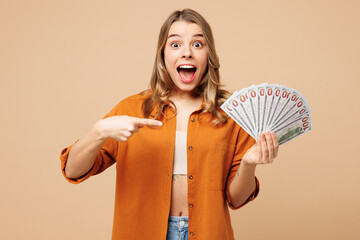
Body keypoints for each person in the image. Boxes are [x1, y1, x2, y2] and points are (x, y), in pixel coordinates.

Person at [60, 8, 279, 240]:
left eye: (197, 44)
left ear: (209, 55)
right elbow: (72, 170)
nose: (187, 53)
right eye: (175, 45)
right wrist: (99, 132)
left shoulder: (231, 116)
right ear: (163, 55)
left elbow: (237, 198)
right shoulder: (132, 109)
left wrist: (248, 163)